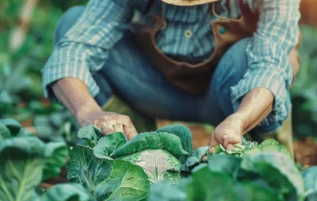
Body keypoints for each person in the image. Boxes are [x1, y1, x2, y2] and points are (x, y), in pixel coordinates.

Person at [41, 0, 302, 151]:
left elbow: (270, 66)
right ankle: (129, 143)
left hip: (231, 96)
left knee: (259, 56)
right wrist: (89, 113)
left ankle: (266, 154)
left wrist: (240, 120)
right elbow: (74, 50)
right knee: (71, 23)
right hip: (156, 90)